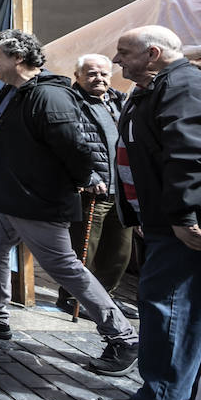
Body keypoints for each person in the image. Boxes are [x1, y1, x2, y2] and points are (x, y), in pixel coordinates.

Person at [0, 30, 138, 375]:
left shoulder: (50, 96)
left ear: (18, 59)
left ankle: (122, 337)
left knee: (66, 268)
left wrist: (88, 177)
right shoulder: (12, 92)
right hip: (5, 197)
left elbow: (72, 145)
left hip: (36, 201)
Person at [94, 25, 201, 400]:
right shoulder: (166, 86)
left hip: (187, 222)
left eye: (125, 52)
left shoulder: (185, 88)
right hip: (170, 220)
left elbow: (190, 157)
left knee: (171, 307)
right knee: (196, 310)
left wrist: (182, 218)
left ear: (154, 53)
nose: (117, 60)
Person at [57, 54, 135, 318]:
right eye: (91, 74)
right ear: (77, 76)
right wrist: (87, 177)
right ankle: (73, 297)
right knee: (84, 249)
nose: (98, 78)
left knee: (119, 251)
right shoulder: (71, 102)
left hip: (121, 189)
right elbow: (68, 143)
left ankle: (105, 298)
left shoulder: (118, 101)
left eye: (103, 73)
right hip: (92, 190)